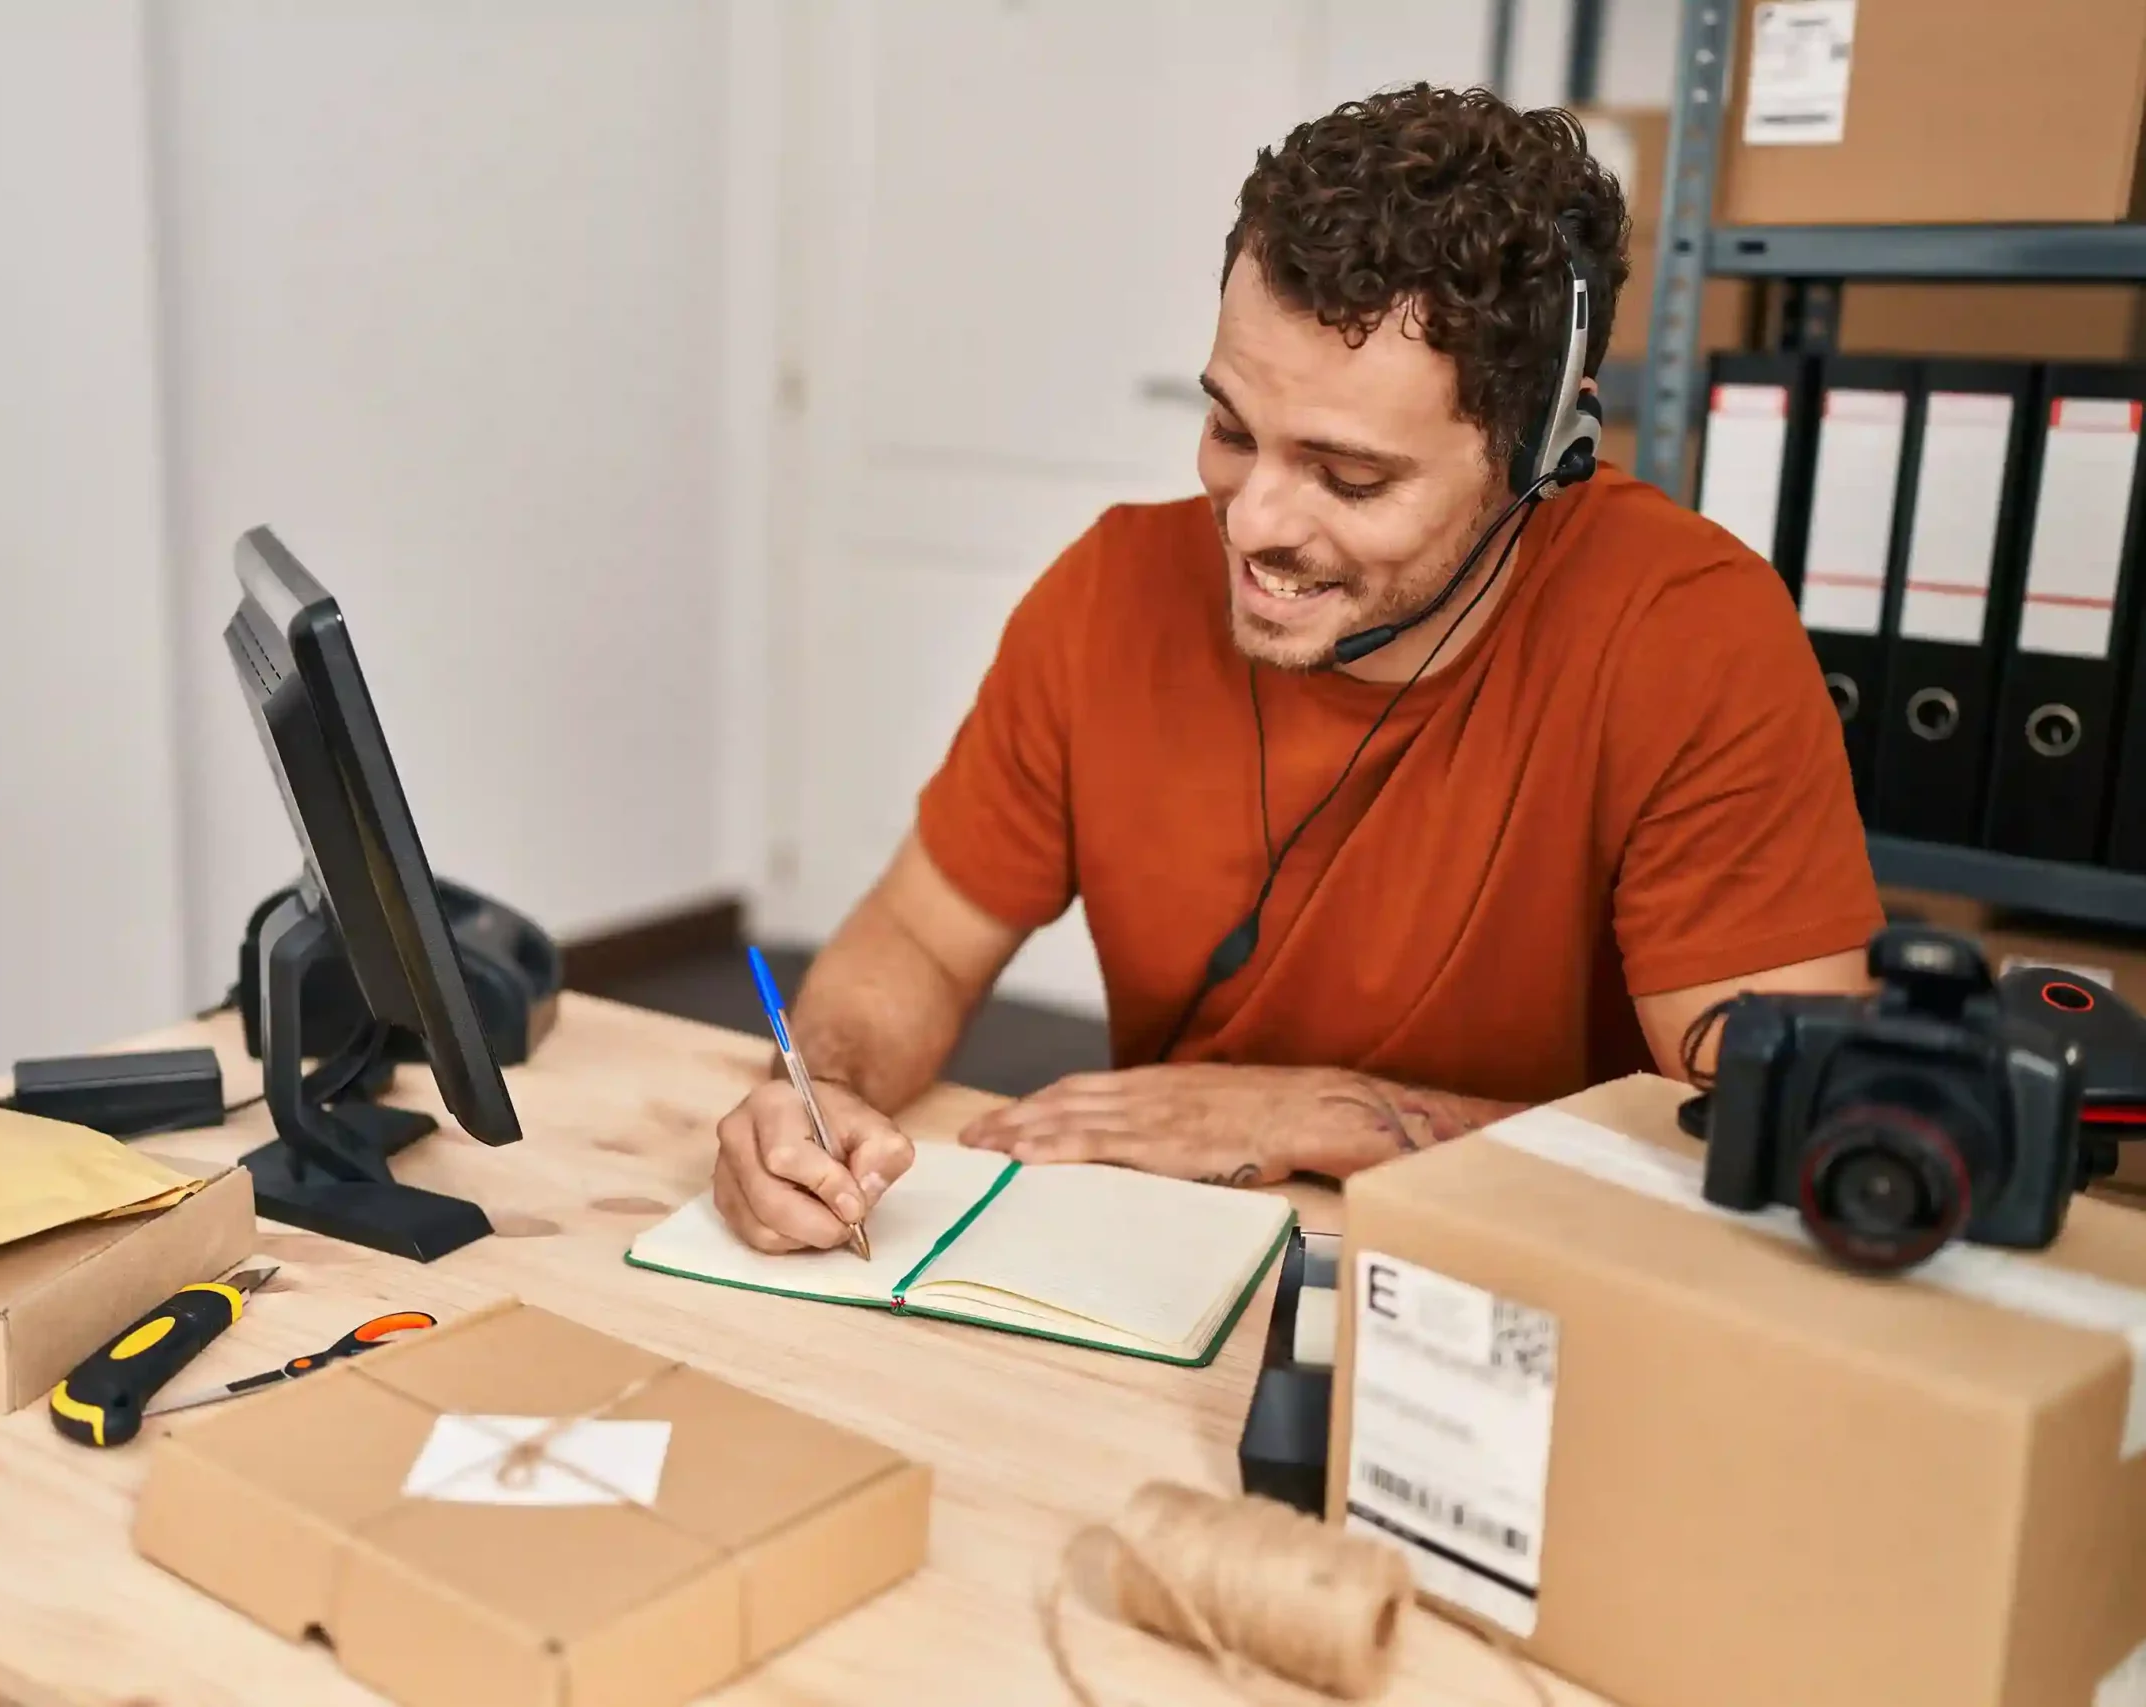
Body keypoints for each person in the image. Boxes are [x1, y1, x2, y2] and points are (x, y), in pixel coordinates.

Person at [709, 84, 1883, 1255]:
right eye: (1230, 430)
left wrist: (1332, 1118)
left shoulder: (1692, 637)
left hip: (1536, 1283)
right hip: (1168, 1264)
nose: (1253, 520)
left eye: (1349, 477)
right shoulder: (1109, 591)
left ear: (1544, 452)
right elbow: (914, 939)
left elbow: (1780, 1132)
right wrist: (821, 1093)